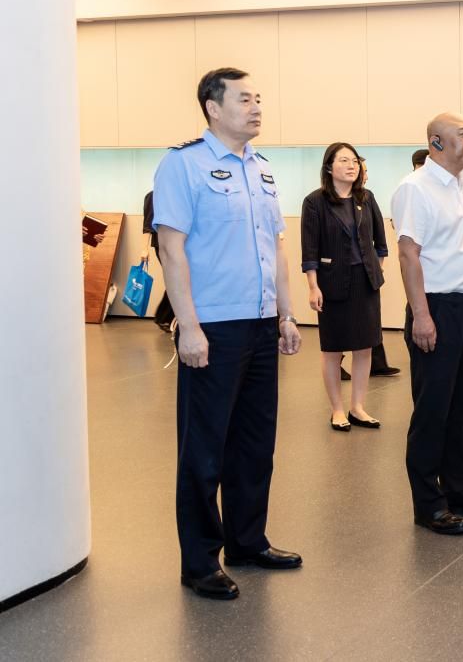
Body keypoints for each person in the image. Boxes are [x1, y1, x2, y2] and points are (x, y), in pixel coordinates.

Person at [152, 67, 303, 600]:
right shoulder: (183, 165)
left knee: (255, 443)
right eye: (244, 99)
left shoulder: (261, 168)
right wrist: (188, 326)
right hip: (213, 326)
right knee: (204, 450)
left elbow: (276, 246)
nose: (256, 107)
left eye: (258, 98)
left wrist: (286, 315)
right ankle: (199, 562)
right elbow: (171, 248)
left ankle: (247, 541)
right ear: (213, 108)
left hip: (261, 323)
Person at [391, 112, 463, 535]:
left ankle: (460, 491)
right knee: (432, 411)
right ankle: (428, 504)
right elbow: (409, 254)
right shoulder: (415, 188)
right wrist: (421, 314)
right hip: (437, 309)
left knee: (460, 409)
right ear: (436, 142)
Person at [301, 143, 389, 432]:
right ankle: (337, 410)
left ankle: (357, 407)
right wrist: (313, 286)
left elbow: (380, 242)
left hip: (365, 282)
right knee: (333, 348)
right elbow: (310, 250)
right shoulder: (315, 202)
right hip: (332, 282)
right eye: (344, 160)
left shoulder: (367, 197)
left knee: (364, 347)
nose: (352, 166)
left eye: (354, 161)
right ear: (329, 167)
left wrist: (376, 269)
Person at [336, 157, 399, 379]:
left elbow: (379, 237)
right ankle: (337, 362)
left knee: (370, 322)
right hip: (340, 275)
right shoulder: (325, 201)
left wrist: (377, 267)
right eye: (364, 170)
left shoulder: (367, 197)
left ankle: (377, 363)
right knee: (343, 323)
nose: (366, 175)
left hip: (366, 274)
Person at [141, 190, 176, 331]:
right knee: (176, 279)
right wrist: (144, 249)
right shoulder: (152, 195)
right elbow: (147, 225)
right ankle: (164, 317)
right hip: (162, 244)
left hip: (178, 243)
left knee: (178, 279)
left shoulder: (175, 194)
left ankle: (166, 317)